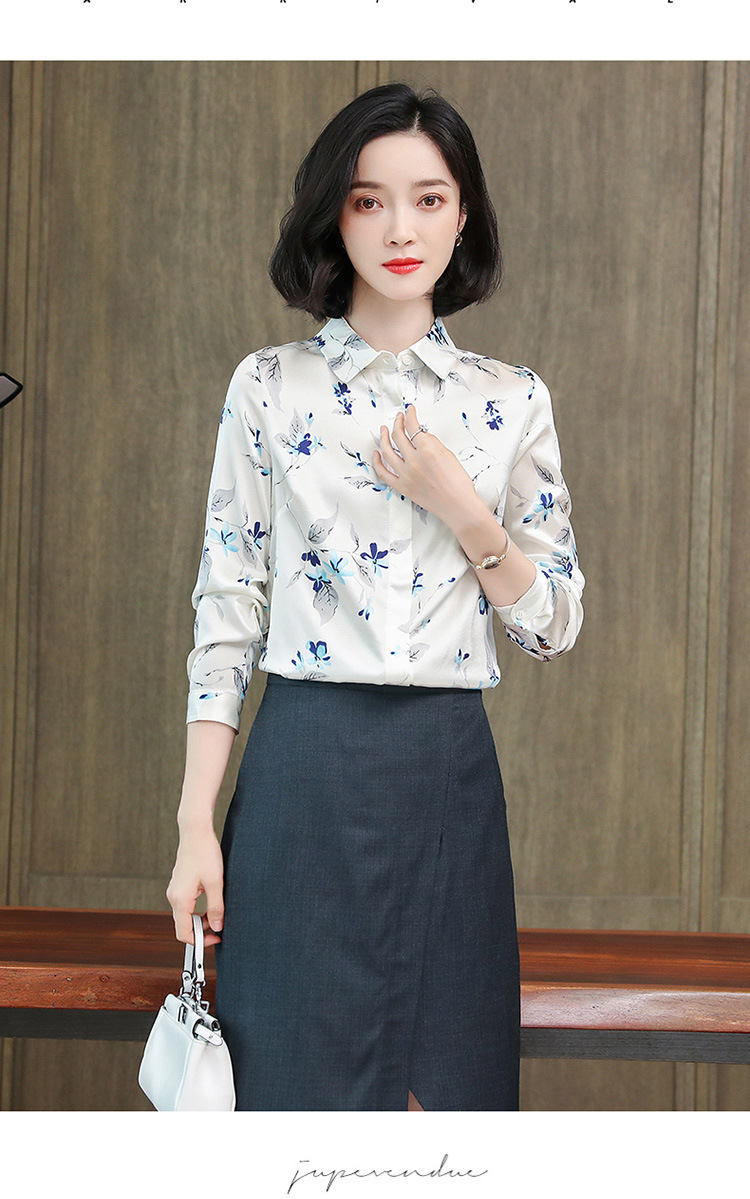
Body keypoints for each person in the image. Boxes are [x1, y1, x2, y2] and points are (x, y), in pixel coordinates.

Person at [166, 82, 585, 1112]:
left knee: (446, 1108)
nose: (402, 229)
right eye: (369, 200)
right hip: (304, 770)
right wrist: (194, 825)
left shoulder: (512, 399)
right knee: (290, 1101)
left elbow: (554, 625)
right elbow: (228, 610)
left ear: (463, 215)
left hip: (447, 777)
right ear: (335, 215)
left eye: (429, 199)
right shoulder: (269, 385)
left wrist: (464, 508)